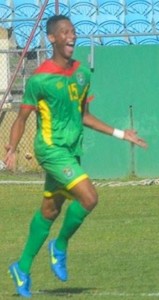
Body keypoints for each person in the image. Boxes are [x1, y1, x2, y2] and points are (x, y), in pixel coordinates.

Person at [4, 14, 147, 298]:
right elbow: (21, 118)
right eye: (65, 32)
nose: (72, 36)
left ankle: (22, 268)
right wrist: (11, 149)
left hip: (71, 151)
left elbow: (84, 116)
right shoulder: (39, 79)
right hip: (50, 150)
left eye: (73, 31)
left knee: (50, 211)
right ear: (52, 38)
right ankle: (60, 245)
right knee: (89, 197)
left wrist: (121, 134)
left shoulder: (82, 74)